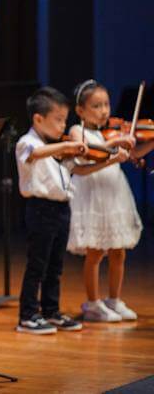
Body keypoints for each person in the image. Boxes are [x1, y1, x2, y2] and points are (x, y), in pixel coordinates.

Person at [67, 80, 153, 322]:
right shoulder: (78, 131)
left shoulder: (113, 131)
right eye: (96, 106)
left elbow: (134, 154)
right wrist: (114, 145)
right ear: (80, 110)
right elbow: (86, 153)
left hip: (114, 192)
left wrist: (150, 141)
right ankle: (92, 303)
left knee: (118, 251)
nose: (104, 110)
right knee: (95, 252)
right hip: (92, 194)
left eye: (106, 104)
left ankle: (114, 299)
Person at [15, 87, 90, 334]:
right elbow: (34, 154)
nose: (63, 126)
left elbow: (78, 170)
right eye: (58, 120)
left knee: (55, 266)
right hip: (41, 209)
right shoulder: (27, 143)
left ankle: (50, 310)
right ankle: (27, 315)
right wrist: (62, 148)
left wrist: (109, 155)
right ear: (38, 118)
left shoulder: (56, 147)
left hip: (61, 209)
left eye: (65, 120)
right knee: (38, 264)